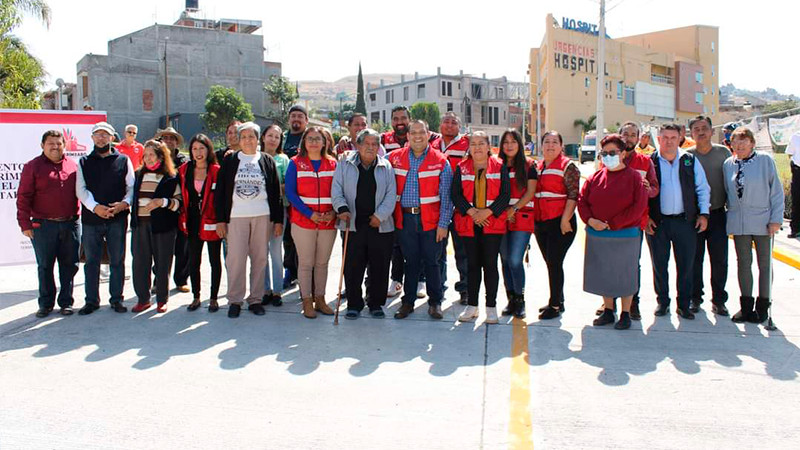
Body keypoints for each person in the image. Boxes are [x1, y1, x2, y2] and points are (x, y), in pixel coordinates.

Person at [578, 134, 648, 330]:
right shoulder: (595, 178)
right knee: (604, 273)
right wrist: (591, 220)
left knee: (625, 274)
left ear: (623, 153)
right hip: (599, 234)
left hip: (625, 235)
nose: (608, 156)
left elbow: (639, 206)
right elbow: (582, 202)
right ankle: (608, 310)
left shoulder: (635, 177)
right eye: (604, 153)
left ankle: (626, 313)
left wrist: (613, 224)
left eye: (613, 152)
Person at [215, 122, 284, 318]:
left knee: (260, 258)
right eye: (243, 136)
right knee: (236, 259)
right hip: (236, 217)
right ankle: (235, 300)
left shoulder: (267, 160)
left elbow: (276, 193)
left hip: (262, 216)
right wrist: (221, 220)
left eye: (251, 136)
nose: (247, 140)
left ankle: (255, 299)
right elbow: (219, 193)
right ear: (238, 139)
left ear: (258, 138)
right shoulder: (230, 161)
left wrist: (278, 220)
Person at [593, 121, 659, 320]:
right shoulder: (607, 159)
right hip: (607, 224)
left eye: (633, 135)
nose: (629, 138)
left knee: (631, 264)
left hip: (633, 224)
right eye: (626, 134)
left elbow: (655, 190)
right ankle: (608, 303)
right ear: (619, 136)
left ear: (639, 139)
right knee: (608, 263)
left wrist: (648, 189)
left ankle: (632, 304)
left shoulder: (645, 162)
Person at [389, 120, 454, 320]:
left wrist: (443, 224)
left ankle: (435, 303)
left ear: (428, 135)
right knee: (411, 262)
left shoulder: (441, 161)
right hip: (405, 220)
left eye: (421, 132)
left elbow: (447, 198)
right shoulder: (394, 158)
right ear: (407, 136)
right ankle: (407, 302)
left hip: (431, 222)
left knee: (432, 262)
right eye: (413, 132)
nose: (417, 136)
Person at [646, 123, 711, 320]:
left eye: (673, 138)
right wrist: (645, 217)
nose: (669, 142)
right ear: (658, 139)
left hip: (685, 222)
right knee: (659, 264)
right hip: (658, 223)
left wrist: (704, 214)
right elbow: (642, 191)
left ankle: (683, 305)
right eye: (665, 138)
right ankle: (662, 302)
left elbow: (702, 188)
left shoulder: (689, 160)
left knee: (686, 265)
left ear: (679, 139)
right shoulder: (650, 161)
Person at [332, 128, 397, 319]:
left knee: (379, 266)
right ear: (358, 145)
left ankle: (375, 303)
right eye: (366, 143)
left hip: (380, 225)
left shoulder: (386, 166)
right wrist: (341, 208)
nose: (370, 147)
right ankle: (353, 304)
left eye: (375, 144)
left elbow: (391, 195)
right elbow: (336, 188)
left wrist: (380, 216)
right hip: (352, 223)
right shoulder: (344, 163)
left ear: (379, 147)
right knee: (353, 266)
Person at [723, 128, 784, 323]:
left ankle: (763, 306)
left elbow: (776, 192)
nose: (739, 146)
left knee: (764, 264)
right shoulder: (728, 164)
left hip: (763, 221)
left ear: (752, 143)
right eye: (735, 142)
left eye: (744, 141)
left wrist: (776, 219)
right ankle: (746, 307)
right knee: (743, 263)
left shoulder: (765, 161)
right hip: (739, 222)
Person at [17, 130, 81, 318]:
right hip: (43, 225)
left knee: (69, 265)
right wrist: (24, 224)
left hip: (70, 224)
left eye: (59, 143)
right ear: (42, 145)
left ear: (65, 145)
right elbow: (23, 197)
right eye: (50, 143)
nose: (55, 147)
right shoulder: (32, 167)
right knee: (45, 265)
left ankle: (66, 302)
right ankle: (45, 303)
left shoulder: (74, 166)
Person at [75, 122, 135, 315]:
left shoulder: (123, 160)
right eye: (97, 134)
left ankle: (116, 299)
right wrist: (96, 208)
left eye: (105, 135)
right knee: (91, 261)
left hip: (117, 219)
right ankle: (91, 301)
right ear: (92, 138)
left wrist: (123, 204)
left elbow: (131, 187)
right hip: (92, 220)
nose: (101, 138)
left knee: (117, 260)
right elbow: (81, 190)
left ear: (112, 138)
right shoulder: (84, 161)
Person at [452, 131, 511, 323]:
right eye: (473, 143)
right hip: (469, 224)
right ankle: (472, 306)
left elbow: (505, 195)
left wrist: (487, 212)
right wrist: (472, 213)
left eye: (481, 143)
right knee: (472, 265)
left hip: (491, 223)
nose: (477, 147)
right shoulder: (461, 168)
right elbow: (456, 195)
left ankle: (491, 307)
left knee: (490, 265)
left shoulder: (500, 167)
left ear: (488, 146)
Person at [382, 105, 438, 299]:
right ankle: (397, 281)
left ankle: (425, 288)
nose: (399, 122)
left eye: (403, 118)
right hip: (398, 210)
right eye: (395, 119)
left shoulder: (431, 141)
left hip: (427, 212)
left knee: (427, 255)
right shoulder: (384, 141)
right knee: (399, 249)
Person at [285, 126, 338, 318]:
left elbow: (338, 191)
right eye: (310, 138)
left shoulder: (333, 164)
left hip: (328, 222)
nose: (314, 142)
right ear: (304, 142)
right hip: (303, 222)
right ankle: (307, 301)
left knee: (322, 263)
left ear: (325, 142)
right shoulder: (295, 163)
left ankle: (320, 299)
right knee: (306, 263)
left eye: (318, 138)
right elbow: (291, 193)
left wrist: (334, 211)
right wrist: (309, 213)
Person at [130, 140, 182, 313]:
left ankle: (161, 300)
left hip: (163, 227)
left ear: (161, 156)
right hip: (140, 226)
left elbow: (178, 204)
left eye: (151, 154)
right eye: (145, 155)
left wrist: (162, 202)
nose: (148, 158)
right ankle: (143, 299)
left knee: (163, 263)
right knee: (140, 263)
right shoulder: (138, 175)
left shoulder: (170, 178)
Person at [688, 115, 732, 315]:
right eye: (696, 129)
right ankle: (695, 298)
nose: (700, 132)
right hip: (694, 217)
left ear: (712, 131)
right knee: (695, 259)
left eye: (704, 128)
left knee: (720, 259)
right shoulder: (686, 156)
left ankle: (719, 300)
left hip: (718, 214)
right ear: (691, 133)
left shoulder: (723, 153)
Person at [533, 131, 579, 319]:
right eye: (546, 142)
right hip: (541, 222)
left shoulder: (568, 166)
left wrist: (565, 219)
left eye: (554, 142)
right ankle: (558, 299)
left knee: (554, 262)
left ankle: (555, 305)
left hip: (560, 223)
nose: (550, 145)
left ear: (561, 146)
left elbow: (573, 195)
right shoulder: (538, 166)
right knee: (550, 262)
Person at [179, 134, 222, 312]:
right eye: (195, 148)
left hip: (212, 221)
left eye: (202, 148)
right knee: (194, 260)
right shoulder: (184, 170)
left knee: (214, 260)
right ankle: (196, 296)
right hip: (192, 221)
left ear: (208, 149)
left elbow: (222, 199)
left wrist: (222, 222)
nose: (198, 152)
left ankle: (213, 298)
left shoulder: (216, 171)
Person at [431, 111, 470, 305]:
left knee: (462, 252)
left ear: (459, 127)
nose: (448, 125)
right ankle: (438, 289)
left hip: (461, 206)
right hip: (438, 207)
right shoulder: (433, 145)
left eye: (453, 122)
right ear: (440, 126)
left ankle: (465, 289)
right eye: (445, 121)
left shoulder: (467, 144)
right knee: (438, 251)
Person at [497, 129, 537, 319]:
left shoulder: (529, 166)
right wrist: (503, 212)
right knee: (504, 260)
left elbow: (530, 193)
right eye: (505, 142)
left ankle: (520, 300)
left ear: (520, 144)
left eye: (513, 142)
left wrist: (514, 209)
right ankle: (511, 299)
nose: (509, 145)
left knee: (514, 260)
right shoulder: (497, 166)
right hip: (501, 218)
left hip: (522, 217)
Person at [154, 127, 191, 293]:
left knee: (183, 247)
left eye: (172, 138)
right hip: (162, 209)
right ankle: (159, 280)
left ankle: (181, 279)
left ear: (177, 142)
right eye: (165, 137)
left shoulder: (184, 161)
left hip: (182, 208)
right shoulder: (155, 159)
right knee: (161, 248)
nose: (168, 140)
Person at [260, 124, 290, 306]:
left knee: (276, 251)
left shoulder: (283, 160)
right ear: (263, 137)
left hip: (279, 210)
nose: (273, 139)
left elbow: (287, 185)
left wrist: (270, 190)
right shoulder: (254, 158)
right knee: (260, 253)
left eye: (277, 137)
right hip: (257, 211)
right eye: (270, 135)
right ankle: (265, 290)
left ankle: (278, 291)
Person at [282, 105, 308, 289]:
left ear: (306, 120)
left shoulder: (310, 138)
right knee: (287, 237)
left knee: (304, 238)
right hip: (284, 197)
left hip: (306, 196)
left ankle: (303, 272)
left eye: (300, 116)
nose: (296, 119)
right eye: (293, 116)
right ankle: (289, 270)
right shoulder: (282, 139)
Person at [786, 130, 800, 239]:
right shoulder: (796, 136)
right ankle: (795, 229)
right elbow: (789, 153)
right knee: (797, 201)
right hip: (798, 171)